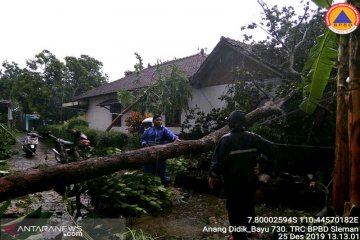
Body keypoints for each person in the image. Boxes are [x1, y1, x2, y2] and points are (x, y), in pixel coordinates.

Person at [208, 110, 275, 240]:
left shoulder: (225, 140)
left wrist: (212, 175)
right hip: (251, 181)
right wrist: (263, 166)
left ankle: (238, 236)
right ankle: (252, 232)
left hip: (233, 183)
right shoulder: (254, 137)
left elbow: (218, 163)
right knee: (249, 206)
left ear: (230, 124)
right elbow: (273, 148)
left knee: (234, 210)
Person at [141, 114, 179, 185]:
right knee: (149, 168)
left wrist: (176, 139)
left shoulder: (164, 130)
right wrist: (145, 144)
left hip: (161, 153)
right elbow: (143, 139)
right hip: (150, 152)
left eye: (160, 120)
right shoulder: (148, 130)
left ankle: (162, 183)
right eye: (157, 120)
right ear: (153, 121)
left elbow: (172, 135)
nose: (159, 121)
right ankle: (148, 182)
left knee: (161, 168)